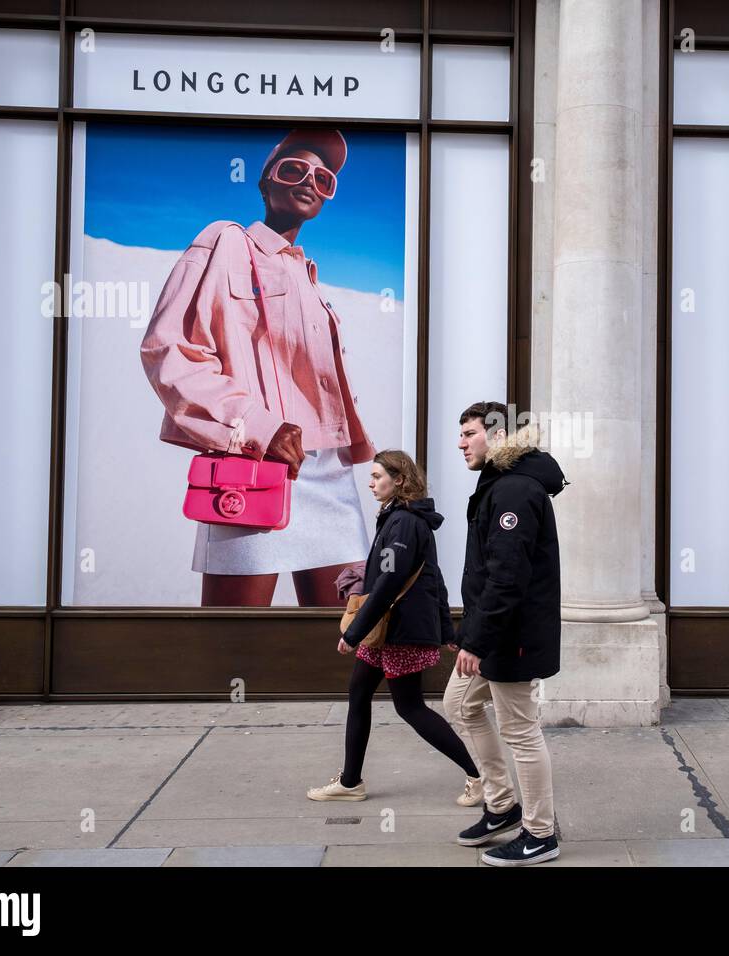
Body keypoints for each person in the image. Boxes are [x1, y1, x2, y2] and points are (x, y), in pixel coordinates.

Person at [140, 128, 374, 607]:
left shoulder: (308, 275)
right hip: (254, 466)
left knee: (343, 641)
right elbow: (171, 350)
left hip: (327, 472)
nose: (310, 180)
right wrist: (258, 429)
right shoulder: (226, 242)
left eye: (324, 178)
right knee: (234, 645)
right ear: (266, 184)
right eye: (293, 169)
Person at [307, 450, 480, 800]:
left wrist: (354, 633)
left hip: (399, 630)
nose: (370, 483)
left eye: (377, 477)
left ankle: (480, 776)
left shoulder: (405, 522)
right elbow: (433, 575)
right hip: (387, 629)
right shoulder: (397, 518)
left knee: (410, 707)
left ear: (398, 480)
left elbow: (388, 582)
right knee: (359, 692)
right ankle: (350, 782)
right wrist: (447, 629)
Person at [443, 402, 567, 866]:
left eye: (469, 433)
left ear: (497, 436)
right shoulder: (500, 481)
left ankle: (540, 834)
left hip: (509, 633)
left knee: (520, 729)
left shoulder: (514, 489)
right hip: (491, 629)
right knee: (459, 703)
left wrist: (476, 640)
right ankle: (502, 806)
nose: (460, 443)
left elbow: (507, 574)